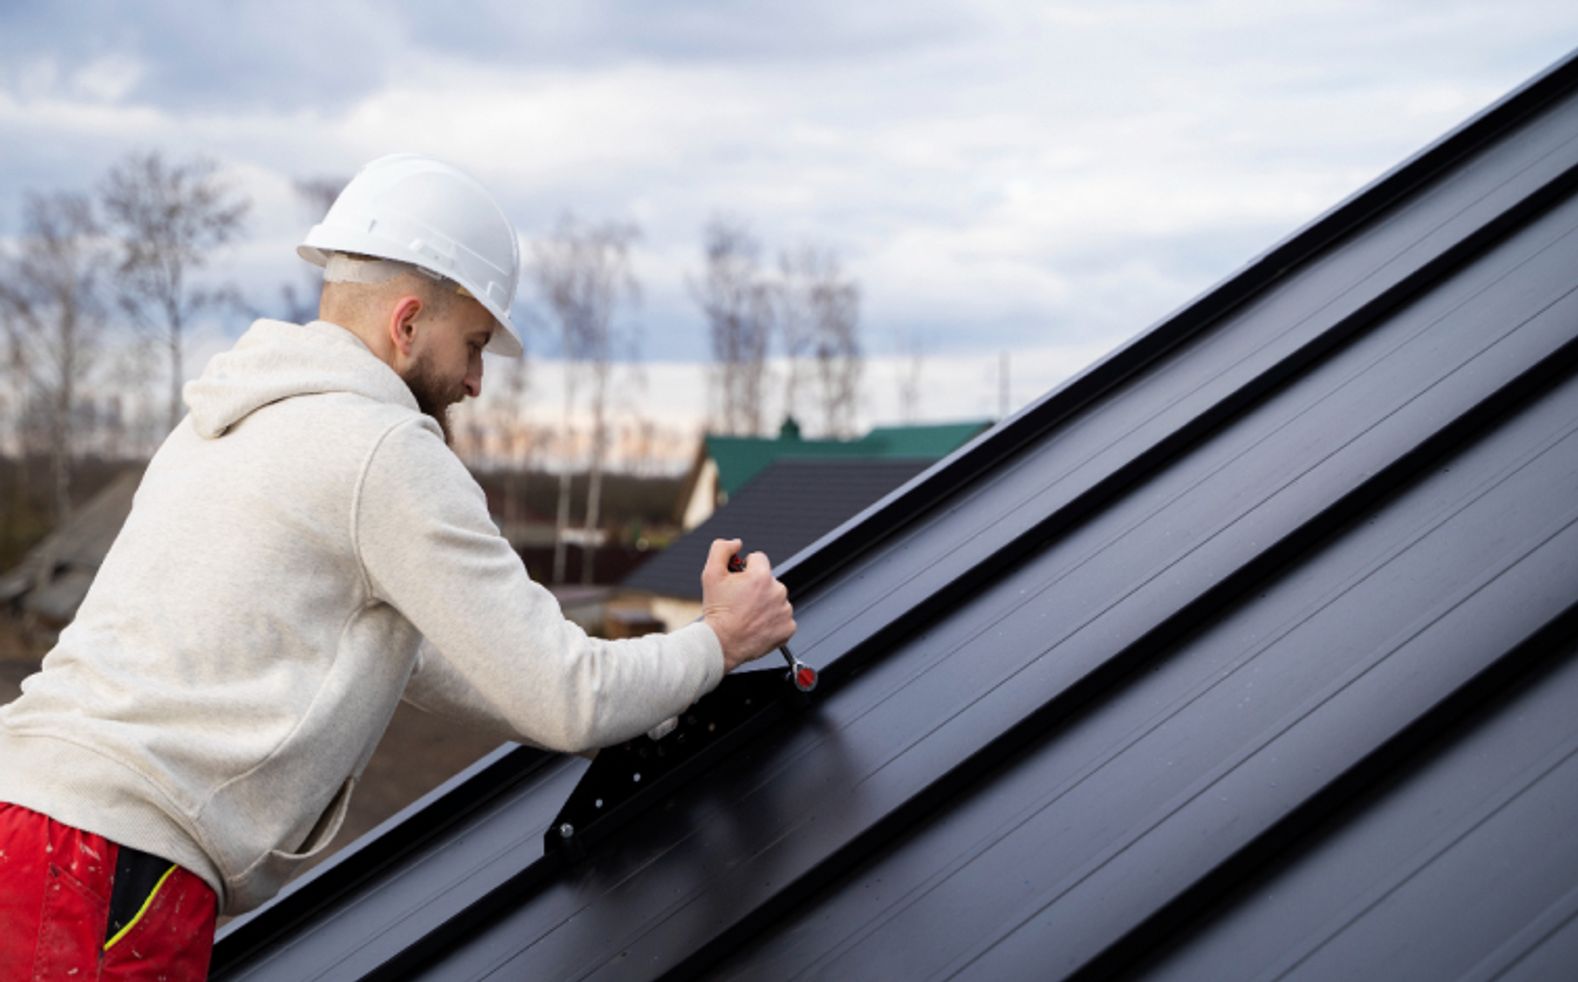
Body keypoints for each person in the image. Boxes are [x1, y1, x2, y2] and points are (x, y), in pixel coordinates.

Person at [0, 154, 795, 978]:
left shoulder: (228, 421)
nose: (477, 382)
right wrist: (719, 643)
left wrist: (654, 705)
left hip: (28, 821)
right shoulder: (382, 450)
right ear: (408, 322)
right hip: (99, 865)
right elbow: (567, 696)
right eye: (475, 345)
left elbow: (430, 655)